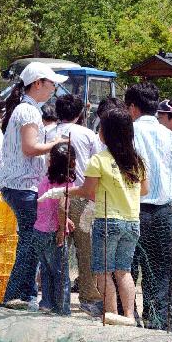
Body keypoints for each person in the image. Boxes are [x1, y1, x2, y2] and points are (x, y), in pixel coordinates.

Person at [47, 108, 149, 320]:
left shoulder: (99, 160)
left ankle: (110, 315)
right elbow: (145, 190)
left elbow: (87, 191)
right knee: (123, 271)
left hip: (107, 221)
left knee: (102, 271)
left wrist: (61, 191)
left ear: (105, 132)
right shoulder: (136, 160)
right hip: (132, 221)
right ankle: (129, 316)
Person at [0, 61, 68, 311]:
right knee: (29, 242)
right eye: (51, 84)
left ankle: (25, 295)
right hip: (23, 186)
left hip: (21, 185)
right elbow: (30, 148)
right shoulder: (29, 111)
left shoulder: (27, 108)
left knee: (29, 241)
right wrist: (56, 143)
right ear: (37, 84)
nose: (54, 90)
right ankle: (14, 295)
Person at [125, 82, 172, 329]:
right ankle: (155, 319)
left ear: (132, 107)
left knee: (128, 266)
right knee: (160, 271)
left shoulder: (129, 132)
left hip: (134, 208)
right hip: (164, 211)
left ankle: (129, 316)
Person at [45, 93, 102, 316]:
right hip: (82, 197)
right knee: (85, 251)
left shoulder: (49, 133)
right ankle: (89, 297)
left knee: (57, 249)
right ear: (79, 114)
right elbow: (96, 166)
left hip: (52, 195)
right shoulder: (88, 134)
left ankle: (57, 297)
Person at [32, 143, 76, 315]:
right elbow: (61, 208)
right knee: (61, 273)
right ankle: (63, 309)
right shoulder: (67, 184)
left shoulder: (45, 180)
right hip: (53, 232)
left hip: (39, 230)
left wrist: (66, 220)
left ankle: (47, 303)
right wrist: (61, 229)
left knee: (46, 269)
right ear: (71, 163)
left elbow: (49, 205)